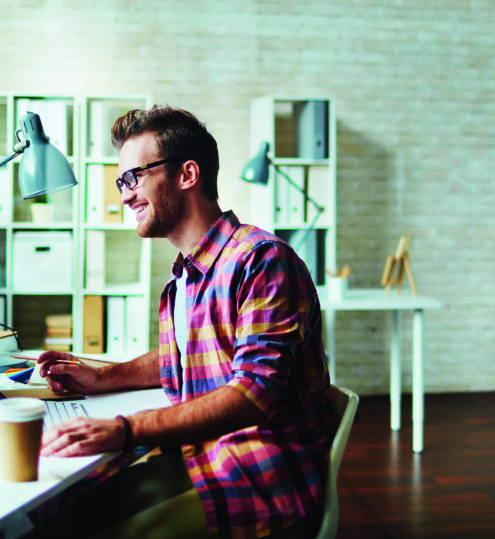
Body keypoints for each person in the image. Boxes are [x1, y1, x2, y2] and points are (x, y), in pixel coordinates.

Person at [34, 106, 334, 539]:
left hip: (256, 478)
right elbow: (185, 357)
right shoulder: (188, 273)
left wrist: (124, 430)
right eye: (123, 182)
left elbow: (253, 394)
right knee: (53, 513)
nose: (125, 195)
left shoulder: (262, 260)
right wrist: (102, 379)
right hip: (194, 458)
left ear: (187, 175)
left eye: (133, 178)